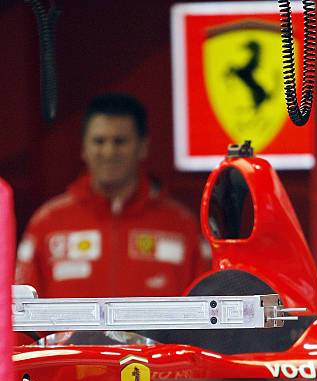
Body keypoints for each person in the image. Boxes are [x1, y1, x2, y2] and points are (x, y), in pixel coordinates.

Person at [15, 93, 209, 298]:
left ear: (142, 147)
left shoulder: (182, 226)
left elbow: (206, 313)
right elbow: (18, 315)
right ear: (83, 148)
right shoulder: (47, 223)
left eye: (120, 142)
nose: (108, 152)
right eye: (99, 141)